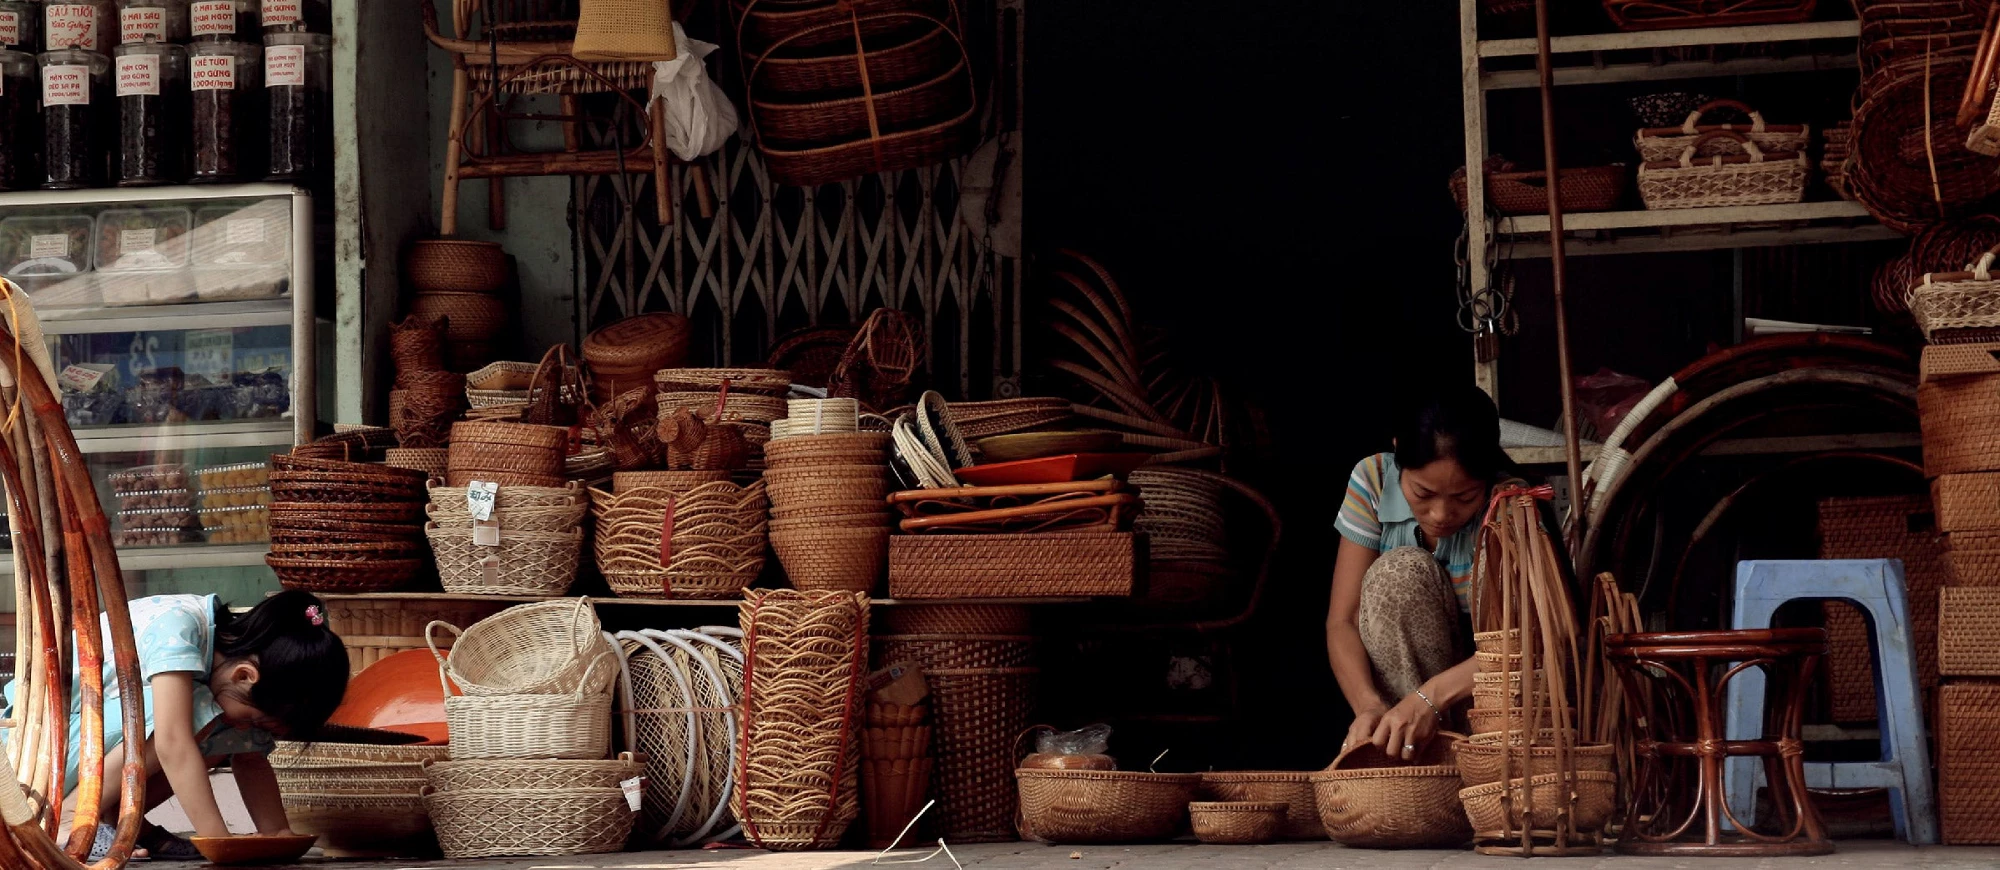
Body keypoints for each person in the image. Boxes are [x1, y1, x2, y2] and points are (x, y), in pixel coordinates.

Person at [2, 589, 349, 861]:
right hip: (45, 748)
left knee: (225, 730)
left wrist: (277, 834)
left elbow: (251, 758)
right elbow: (171, 742)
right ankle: (72, 821)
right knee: (195, 717)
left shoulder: (227, 677)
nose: (251, 730)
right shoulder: (179, 626)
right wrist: (218, 841)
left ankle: (124, 822)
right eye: (257, 720)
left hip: (91, 749)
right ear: (245, 675)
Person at [1325, 384, 1516, 763]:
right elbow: (1341, 621)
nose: (1442, 514)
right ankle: (1408, 754)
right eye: (1424, 493)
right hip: (1398, 708)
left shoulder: (1510, 502)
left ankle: (1467, 758)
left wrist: (1430, 697)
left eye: (1464, 497)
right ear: (1399, 454)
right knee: (1399, 574)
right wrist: (1368, 706)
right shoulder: (1374, 479)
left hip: (1486, 700)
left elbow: (1530, 641)